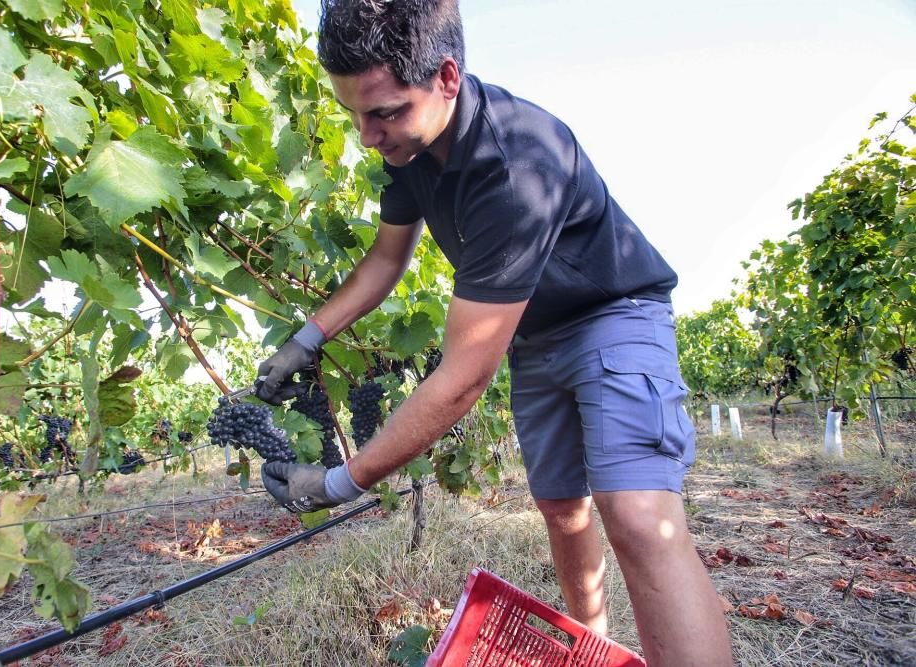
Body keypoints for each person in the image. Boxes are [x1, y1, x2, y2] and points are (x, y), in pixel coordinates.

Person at [257, 1, 733, 664]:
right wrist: (309, 336)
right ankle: (593, 650)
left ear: (447, 77)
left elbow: (462, 379)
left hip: (613, 315)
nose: (367, 136)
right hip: (534, 335)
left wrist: (342, 481)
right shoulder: (411, 147)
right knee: (562, 508)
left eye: (384, 112)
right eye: (355, 115)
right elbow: (387, 259)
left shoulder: (516, 165)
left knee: (637, 519)